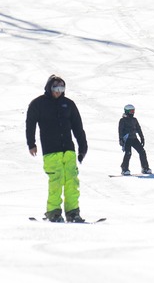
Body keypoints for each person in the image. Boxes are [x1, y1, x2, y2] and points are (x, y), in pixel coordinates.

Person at [25, 75, 87, 223]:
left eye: (62, 88)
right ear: (49, 87)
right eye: (56, 88)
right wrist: (31, 143)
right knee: (56, 180)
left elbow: (78, 126)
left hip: (68, 149)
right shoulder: (38, 104)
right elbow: (30, 123)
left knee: (72, 180)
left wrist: (82, 146)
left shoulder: (68, 104)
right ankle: (53, 212)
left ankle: (73, 212)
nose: (59, 91)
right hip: (51, 150)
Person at [118, 104, 152, 175]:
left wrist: (142, 138)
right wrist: (121, 139)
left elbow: (139, 129)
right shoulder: (122, 120)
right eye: (131, 111)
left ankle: (145, 168)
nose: (133, 113)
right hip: (127, 139)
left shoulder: (134, 120)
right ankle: (124, 169)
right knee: (128, 153)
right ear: (127, 111)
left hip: (134, 138)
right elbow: (120, 130)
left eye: (133, 111)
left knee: (142, 152)